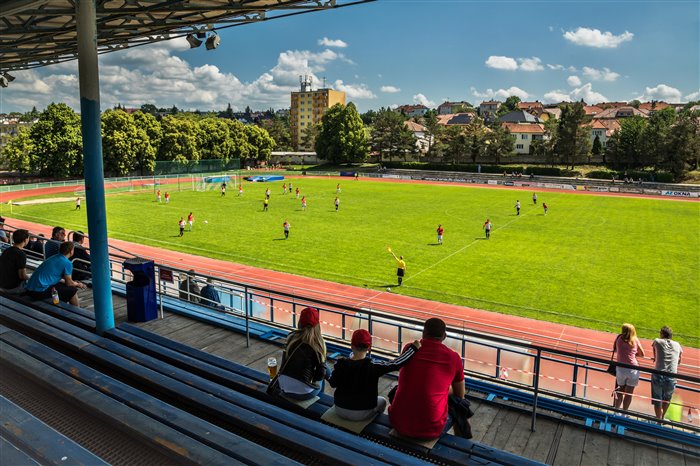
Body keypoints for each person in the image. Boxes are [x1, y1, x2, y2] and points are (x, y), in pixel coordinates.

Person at [389, 318, 471, 440]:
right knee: (459, 405)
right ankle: (463, 445)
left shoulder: (408, 348)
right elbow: (460, 394)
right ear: (444, 336)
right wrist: (445, 390)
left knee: (398, 390)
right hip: (430, 431)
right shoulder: (453, 357)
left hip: (398, 423)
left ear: (424, 333)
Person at [329, 330, 420, 421]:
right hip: (362, 413)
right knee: (382, 401)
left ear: (352, 345)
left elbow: (332, 383)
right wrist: (413, 348)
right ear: (369, 348)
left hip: (339, 409)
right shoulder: (373, 366)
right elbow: (396, 364)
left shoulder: (340, 363)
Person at [277, 307, 330, 400]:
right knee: (324, 372)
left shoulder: (291, 337)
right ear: (317, 325)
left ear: (300, 322)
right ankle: (319, 401)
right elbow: (320, 374)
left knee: (323, 368)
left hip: (283, 386)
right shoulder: (318, 344)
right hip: (303, 393)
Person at [26, 241, 87, 306]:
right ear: (71, 251)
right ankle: (77, 311)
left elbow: (55, 278)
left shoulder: (54, 257)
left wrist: (74, 283)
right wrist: (78, 284)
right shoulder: (67, 263)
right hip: (39, 292)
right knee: (72, 290)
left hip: (30, 289)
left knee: (63, 286)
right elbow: (69, 283)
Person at [613, 323, 645, 413]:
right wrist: (634, 354)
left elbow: (614, 349)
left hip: (621, 368)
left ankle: (616, 411)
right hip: (632, 369)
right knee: (629, 393)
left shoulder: (618, 338)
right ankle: (624, 413)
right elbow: (642, 354)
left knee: (619, 391)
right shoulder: (635, 340)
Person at [651, 326, 683, 420]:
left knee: (657, 399)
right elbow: (679, 360)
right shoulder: (677, 344)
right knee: (667, 399)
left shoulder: (657, 341)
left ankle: (658, 420)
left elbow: (655, 354)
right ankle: (662, 418)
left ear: (662, 334)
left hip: (658, 374)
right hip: (672, 376)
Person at [0, 229, 30, 294]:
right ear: (25, 240)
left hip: (2, 285)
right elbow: (22, 276)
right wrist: (30, 278)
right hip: (13, 288)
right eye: (28, 238)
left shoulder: (6, 251)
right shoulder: (21, 254)